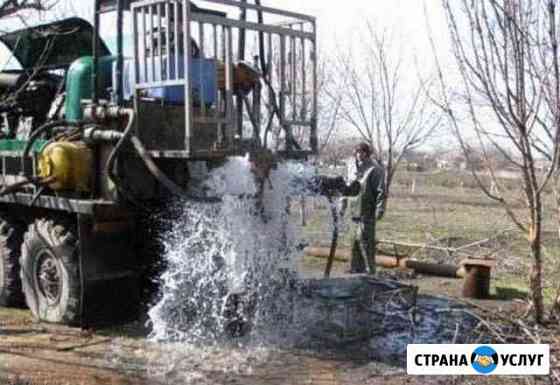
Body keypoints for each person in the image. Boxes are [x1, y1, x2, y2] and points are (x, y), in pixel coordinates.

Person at [340, 142, 385, 275]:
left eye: (362, 152)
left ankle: (370, 270)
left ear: (367, 153)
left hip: (367, 211)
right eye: (357, 152)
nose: (359, 155)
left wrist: (380, 209)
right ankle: (355, 268)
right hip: (353, 210)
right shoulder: (351, 167)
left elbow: (381, 191)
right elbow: (346, 188)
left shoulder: (375, 169)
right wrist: (342, 206)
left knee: (365, 241)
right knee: (353, 240)